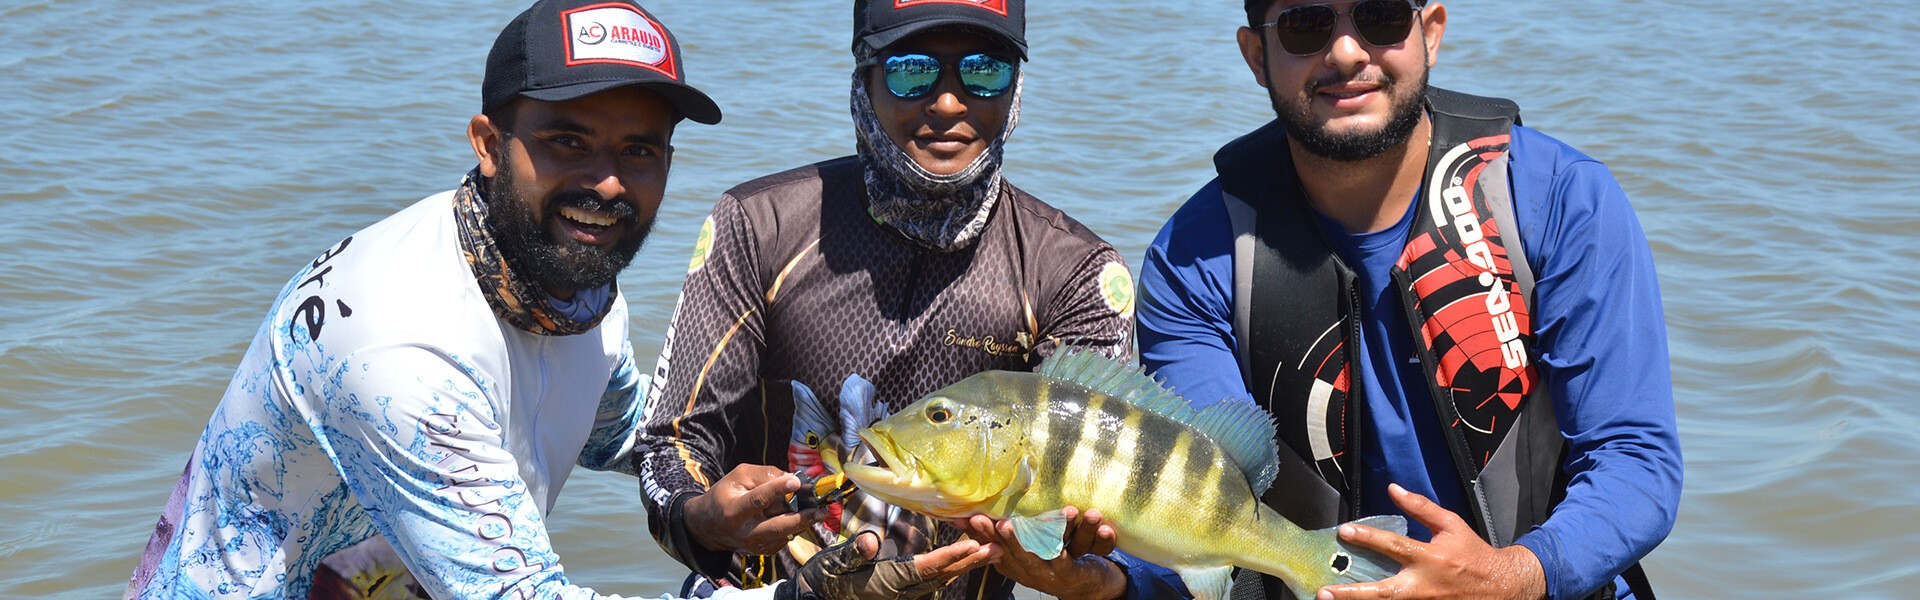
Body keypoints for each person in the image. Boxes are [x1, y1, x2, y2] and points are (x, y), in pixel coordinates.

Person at [116, 2, 827, 598]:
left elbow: (616, 431)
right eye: (567, 141)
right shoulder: (403, 348)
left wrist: (709, 498)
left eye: (638, 151)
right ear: (490, 144)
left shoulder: (572, 277)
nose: (607, 185)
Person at [1134, 1, 1683, 599]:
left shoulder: (1561, 200)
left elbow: (1635, 462)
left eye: (1382, 15)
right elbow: (1197, 497)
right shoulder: (1193, 258)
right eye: (1306, 25)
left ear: (1431, 32)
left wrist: (1513, 577)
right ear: (1256, 54)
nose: (1346, 52)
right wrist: (1112, 584)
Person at [632, 1, 1148, 598]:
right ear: (864, 78)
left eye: (984, 71)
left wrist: (1097, 580)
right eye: (912, 69)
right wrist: (702, 518)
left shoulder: (1078, 272)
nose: (948, 103)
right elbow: (671, 442)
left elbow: (1119, 500)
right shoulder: (758, 226)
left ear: (1017, 86)